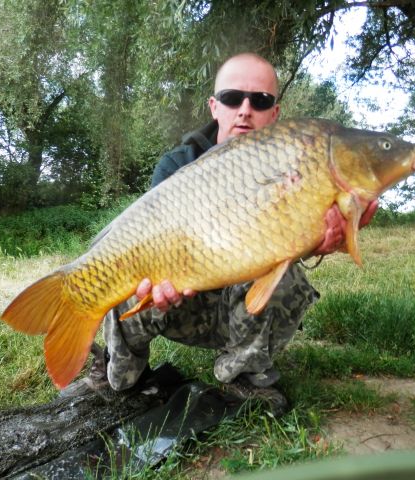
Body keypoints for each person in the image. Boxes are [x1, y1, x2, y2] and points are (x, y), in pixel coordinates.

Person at [62, 53, 377, 411]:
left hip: (238, 307)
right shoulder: (178, 165)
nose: (245, 109)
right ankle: (119, 371)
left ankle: (243, 372)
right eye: (232, 98)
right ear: (215, 106)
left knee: (286, 276)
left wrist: (321, 245)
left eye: (259, 101)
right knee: (124, 272)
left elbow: (283, 243)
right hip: (184, 302)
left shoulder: (296, 164)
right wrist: (162, 281)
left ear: (274, 112)